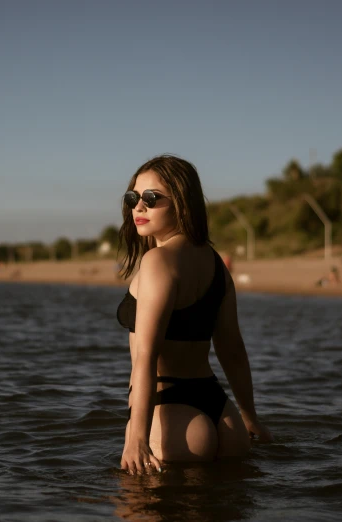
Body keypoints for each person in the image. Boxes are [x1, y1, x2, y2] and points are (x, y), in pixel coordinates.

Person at [115, 155, 272, 475]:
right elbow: (232, 350)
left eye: (151, 198)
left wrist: (137, 439)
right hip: (223, 416)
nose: (139, 208)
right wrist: (250, 418)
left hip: (173, 414)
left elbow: (146, 356)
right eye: (133, 197)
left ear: (182, 202)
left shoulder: (158, 262)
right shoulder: (215, 264)